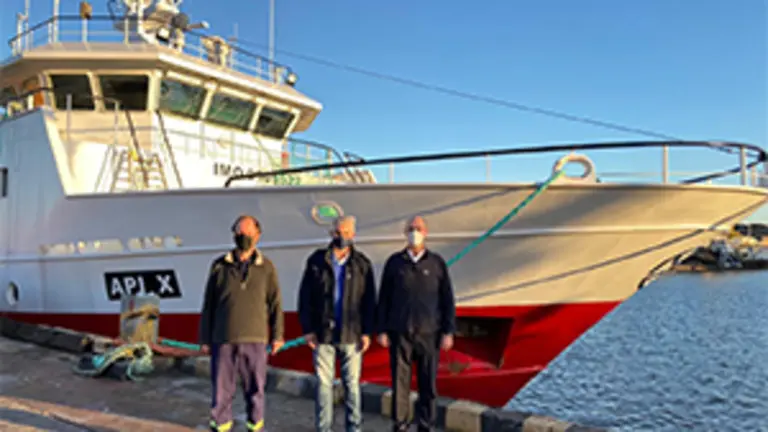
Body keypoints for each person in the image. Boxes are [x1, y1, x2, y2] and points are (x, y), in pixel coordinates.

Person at [199, 214, 285, 432]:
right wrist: (205, 338)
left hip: (255, 340)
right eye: (240, 233)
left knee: (256, 391)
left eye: (248, 233)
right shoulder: (219, 266)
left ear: (258, 235)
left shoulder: (266, 267)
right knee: (221, 393)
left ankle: (255, 428)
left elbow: (275, 303)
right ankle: (220, 428)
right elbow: (208, 303)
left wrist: (278, 335)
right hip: (223, 339)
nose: (244, 237)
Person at [376, 215, 456, 432]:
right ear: (405, 233)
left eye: (418, 228)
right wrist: (381, 329)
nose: (415, 231)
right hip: (400, 332)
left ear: (426, 232)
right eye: (411, 228)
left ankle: (426, 423)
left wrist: (448, 330)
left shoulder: (436, 263)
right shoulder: (394, 262)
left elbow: (447, 298)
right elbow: (384, 298)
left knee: (427, 383)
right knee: (400, 383)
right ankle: (400, 423)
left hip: (429, 332)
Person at [298, 215, 377, 432]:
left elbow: (369, 300)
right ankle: (324, 428)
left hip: (352, 335)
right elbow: (305, 297)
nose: (342, 236)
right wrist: (308, 329)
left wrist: (367, 331)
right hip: (323, 334)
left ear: (353, 234)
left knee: (352, 387)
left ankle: (354, 428)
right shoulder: (316, 261)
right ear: (332, 232)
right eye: (338, 231)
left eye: (346, 232)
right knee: (324, 386)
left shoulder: (362, 264)